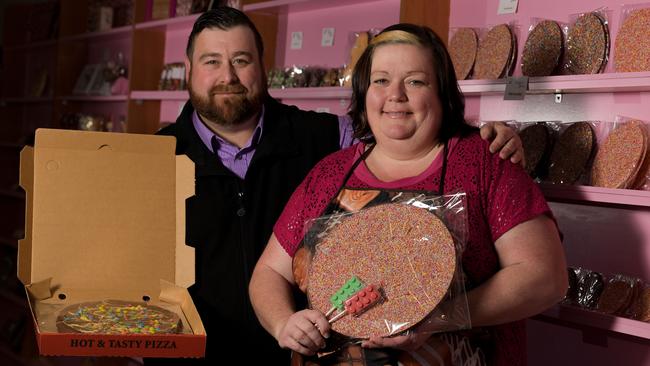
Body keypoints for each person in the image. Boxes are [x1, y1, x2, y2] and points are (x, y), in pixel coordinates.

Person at [154, 8, 524, 364]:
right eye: (211, 62)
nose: (228, 76)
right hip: (193, 354)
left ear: (261, 66)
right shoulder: (156, 154)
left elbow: (401, 131)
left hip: (296, 353)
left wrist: (487, 138)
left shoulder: (328, 136)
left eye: (241, 59)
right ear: (188, 69)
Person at [249, 23, 568, 366]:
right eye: (381, 80)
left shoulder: (486, 162)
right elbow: (268, 273)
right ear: (364, 92)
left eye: (415, 81)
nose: (395, 95)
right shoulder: (329, 174)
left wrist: (442, 316)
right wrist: (284, 322)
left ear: (442, 94)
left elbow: (545, 278)